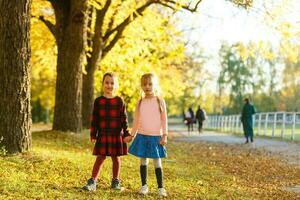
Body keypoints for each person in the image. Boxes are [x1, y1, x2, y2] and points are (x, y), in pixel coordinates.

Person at [83, 72, 130, 191]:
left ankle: (116, 181)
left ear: (116, 85)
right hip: (103, 134)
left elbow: (124, 119)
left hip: (116, 134)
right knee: (100, 158)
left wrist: (126, 133)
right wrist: (93, 134)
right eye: (107, 83)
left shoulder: (120, 101)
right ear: (103, 84)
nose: (109, 85)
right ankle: (92, 181)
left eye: (112, 83)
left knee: (116, 158)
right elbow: (95, 119)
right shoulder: (98, 101)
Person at [123, 73, 168, 197]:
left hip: (156, 136)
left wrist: (164, 135)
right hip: (142, 135)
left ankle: (160, 188)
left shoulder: (160, 101)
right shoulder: (140, 102)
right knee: (143, 161)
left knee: (157, 162)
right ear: (141, 86)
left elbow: (164, 119)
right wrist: (132, 135)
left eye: (150, 84)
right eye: (144, 84)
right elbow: (137, 120)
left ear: (155, 85)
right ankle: (144, 186)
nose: (147, 86)